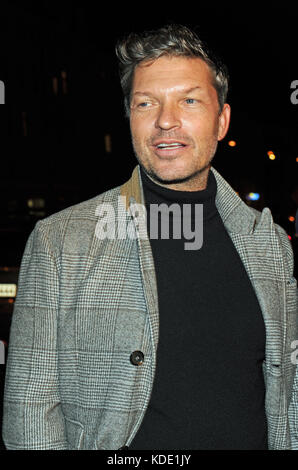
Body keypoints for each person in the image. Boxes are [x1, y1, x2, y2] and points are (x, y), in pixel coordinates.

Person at [2, 24, 298, 450]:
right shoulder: (61, 242)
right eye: (146, 103)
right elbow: (30, 409)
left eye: (189, 100)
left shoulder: (268, 243)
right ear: (130, 117)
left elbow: (286, 395)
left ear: (221, 120)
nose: (165, 121)